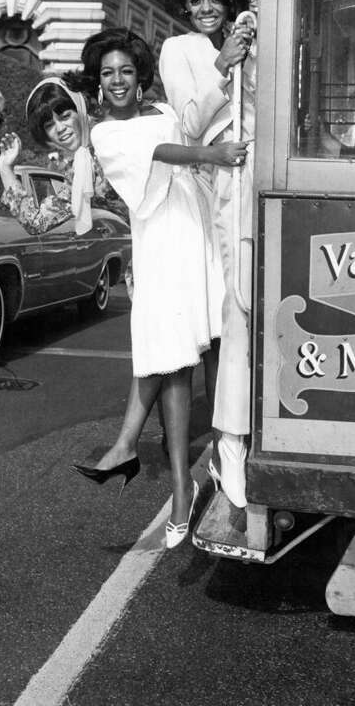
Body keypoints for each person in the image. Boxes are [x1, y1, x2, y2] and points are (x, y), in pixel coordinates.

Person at [75, 27, 249, 549]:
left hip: (197, 231)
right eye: (107, 74)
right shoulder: (104, 134)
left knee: (197, 353)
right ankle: (176, 486)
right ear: (98, 84)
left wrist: (221, 69)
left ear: (139, 74)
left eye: (126, 70)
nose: (117, 81)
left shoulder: (162, 111)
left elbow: (190, 125)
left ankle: (200, 462)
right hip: (162, 244)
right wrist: (213, 157)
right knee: (165, 355)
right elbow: (164, 153)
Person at [160, 0, 255, 509]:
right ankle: (229, 445)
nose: (205, 8)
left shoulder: (241, 35)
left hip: (259, 173)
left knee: (257, 303)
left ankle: (245, 434)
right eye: (196, 0)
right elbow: (190, 127)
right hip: (222, 181)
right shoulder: (180, 49)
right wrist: (222, 66)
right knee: (238, 305)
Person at [0, 76, 95, 236]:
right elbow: (36, 222)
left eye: (65, 116)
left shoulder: (108, 140)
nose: (60, 128)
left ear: (80, 109)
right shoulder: (81, 167)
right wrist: (5, 168)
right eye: (49, 125)